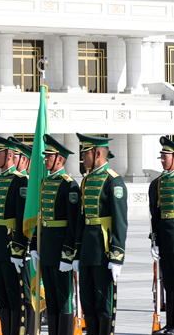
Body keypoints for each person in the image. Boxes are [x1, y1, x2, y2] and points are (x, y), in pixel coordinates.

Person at [74, 133, 127, 335]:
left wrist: (117, 256)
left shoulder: (113, 181)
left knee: (104, 302)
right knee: (87, 299)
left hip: (104, 251)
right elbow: (81, 219)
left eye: (84, 153)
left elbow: (120, 221)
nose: (82, 157)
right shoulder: (87, 180)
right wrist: (77, 252)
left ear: (97, 154)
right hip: (88, 249)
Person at [28, 135, 79, 335]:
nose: (45, 159)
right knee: (50, 298)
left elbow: (73, 224)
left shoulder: (69, 185)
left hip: (60, 251)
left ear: (59, 159)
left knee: (63, 300)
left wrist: (68, 253)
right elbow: (40, 219)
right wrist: (34, 246)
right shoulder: (45, 183)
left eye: (49, 156)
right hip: (46, 249)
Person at [0, 134, 29, 335]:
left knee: (16, 298)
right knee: (2, 298)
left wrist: (19, 249)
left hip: (11, 247)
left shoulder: (20, 182)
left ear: (9, 155)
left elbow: (22, 220)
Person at [150, 137, 174, 335]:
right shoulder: (157, 184)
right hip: (166, 239)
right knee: (169, 284)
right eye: (162, 156)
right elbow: (155, 214)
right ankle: (171, 325)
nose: (162, 160)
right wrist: (155, 241)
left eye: (166, 156)